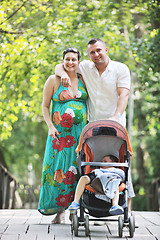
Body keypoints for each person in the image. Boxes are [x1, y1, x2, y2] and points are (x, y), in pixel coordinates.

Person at [55, 38, 135, 212]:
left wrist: (116, 116)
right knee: (93, 164)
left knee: (121, 164)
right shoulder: (85, 67)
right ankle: (94, 206)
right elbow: (62, 65)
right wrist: (62, 75)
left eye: (99, 50)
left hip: (116, 126)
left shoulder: (120, 69)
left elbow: (124, 95)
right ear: (89, 55)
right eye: (92, 52)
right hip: (93, 126)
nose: (96, 55)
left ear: (106, 49)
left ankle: (126, 209)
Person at [38, 47, 88, 224]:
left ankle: (77, 208)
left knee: (78, 169)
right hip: (59, 135)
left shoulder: (83, 78)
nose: (70, 63)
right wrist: (50, 126)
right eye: (67, 59)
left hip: (80, 134)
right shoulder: (54, 80)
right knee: (58, 170)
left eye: (74, 59)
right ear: (62, 60)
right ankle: (59, 212)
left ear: (78, 62)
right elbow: (45, 106)